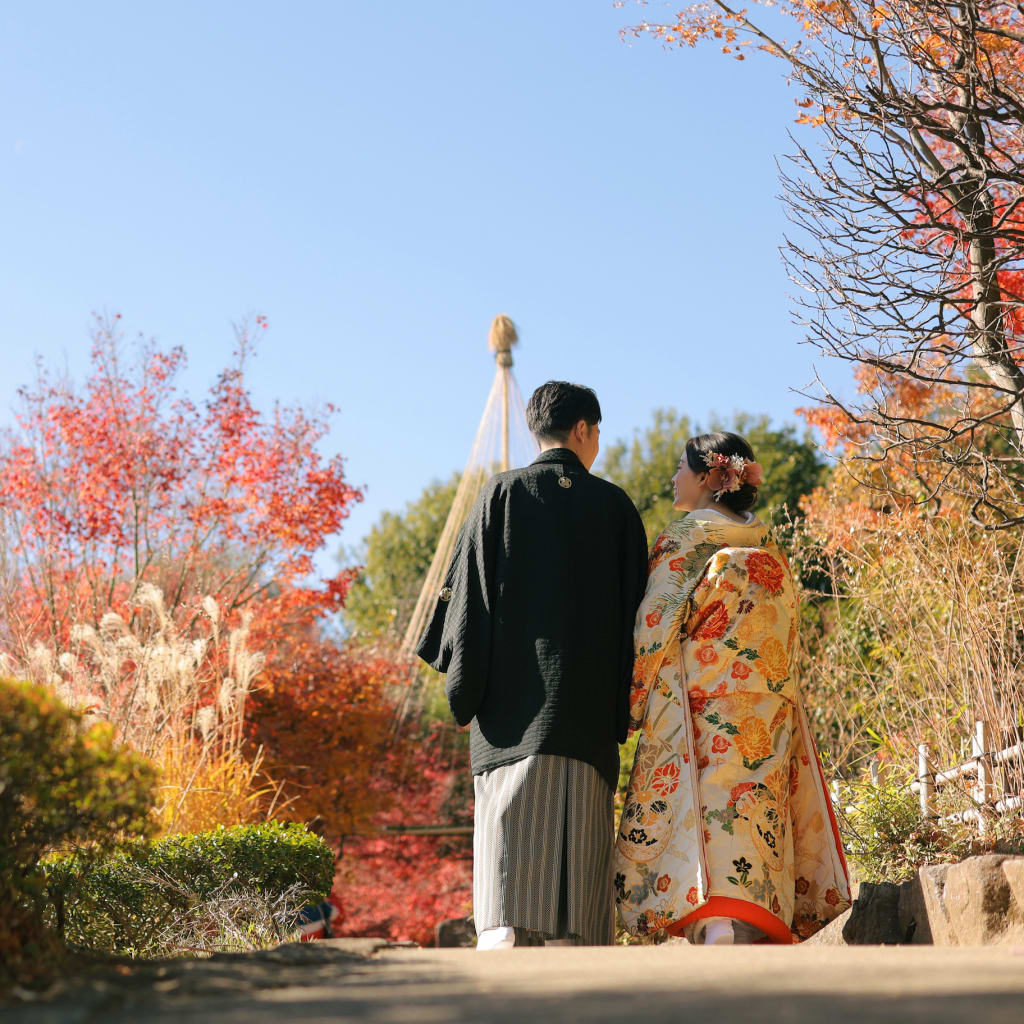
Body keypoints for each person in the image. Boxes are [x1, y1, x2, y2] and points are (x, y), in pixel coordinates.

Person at [416, 381, 648, 949]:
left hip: (511, 719)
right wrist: (629, 703)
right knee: (581, 912)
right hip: (589, 719)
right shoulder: (616, 507)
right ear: (584, 430)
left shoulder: (501, 494)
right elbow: (640, 618)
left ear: (535, 430)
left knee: (506, 904)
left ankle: (501, 965)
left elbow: (467, 600)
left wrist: (466, 689)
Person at [614, 431, 850, 945]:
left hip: (701, 699)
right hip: (767, 703)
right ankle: (753, 921)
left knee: (708, 804)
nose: (673, 477)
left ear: (706, 477)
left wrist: (632, 703)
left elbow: (653, 625)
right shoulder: (767, 546)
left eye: (681, 466)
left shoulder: (686, 540)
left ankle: (714, 920)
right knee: (755, 806)